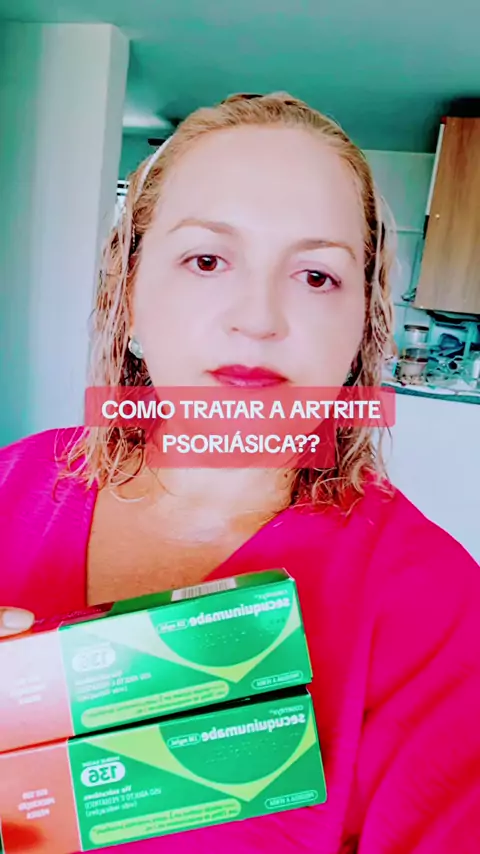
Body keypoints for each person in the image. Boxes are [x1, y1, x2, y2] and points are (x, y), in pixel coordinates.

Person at [0, 92, 479, 854]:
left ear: (363, 326)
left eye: (316, 276)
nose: (258, 319)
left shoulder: (437, 607)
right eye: (207, 260)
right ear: (128, 293)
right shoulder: (12, 483)